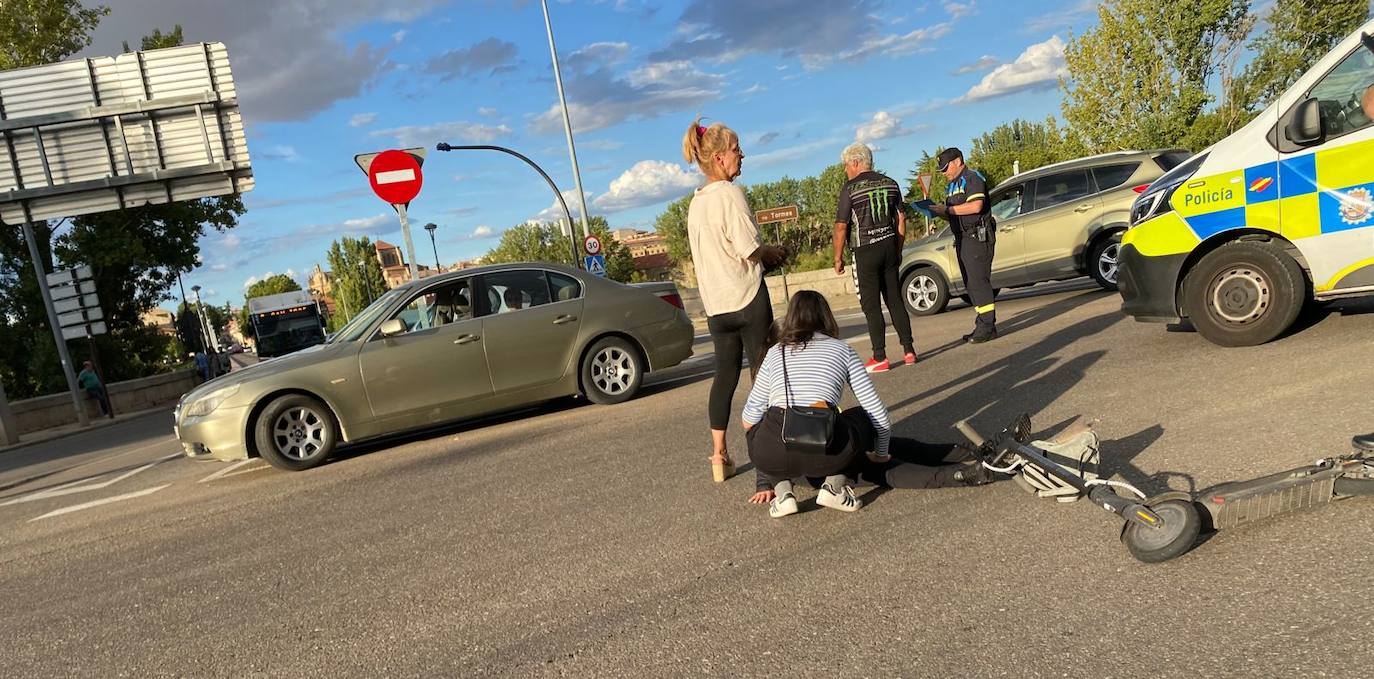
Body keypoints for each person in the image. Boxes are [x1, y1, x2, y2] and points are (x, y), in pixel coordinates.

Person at [741, 291, 994, 518]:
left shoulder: (776, 353)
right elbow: (878, 414)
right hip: (828, 453)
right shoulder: (842, 350)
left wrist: (766, 476)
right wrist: (881, 452)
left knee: (763, 430)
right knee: (867, 426)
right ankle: (972, 454)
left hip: (777, 457)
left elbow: (748, 420)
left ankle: (784, 495)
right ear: (827, 317)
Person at [682, 117, 789, 483]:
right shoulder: (731, 194)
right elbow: (748, 249)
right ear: (719, 160)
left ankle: (719, 454)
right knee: (763, 374)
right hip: (746, 298)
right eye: (736, 150)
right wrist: (774, 252)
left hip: (716, 306)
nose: (742, 155)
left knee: (724, 376)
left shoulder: (695, 204)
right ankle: (766, 458)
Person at [833, 142, 916, 373]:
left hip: (865, 250)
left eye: (846, 166)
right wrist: (898, 248)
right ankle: (909, 350)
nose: (845, 170)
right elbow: (901, 218)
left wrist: (837, 257)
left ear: (855, 162)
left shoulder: (850, 188)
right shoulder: (891, 183)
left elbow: (841, 226)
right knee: (894, 300)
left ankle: (879, 356)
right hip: (889, 245)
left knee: (871, 306)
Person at [929, 147, 998, 343]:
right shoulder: (952, 185)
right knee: (970, 283)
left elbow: (975, 206)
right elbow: (953, 212)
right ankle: (982, 323)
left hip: (977, 236)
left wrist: (948, 209)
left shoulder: (972, 178)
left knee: (979, 281)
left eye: (946, 168)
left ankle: (988, 327)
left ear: (958, 161)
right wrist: (937, 211)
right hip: (962, 237)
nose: (944, 173)